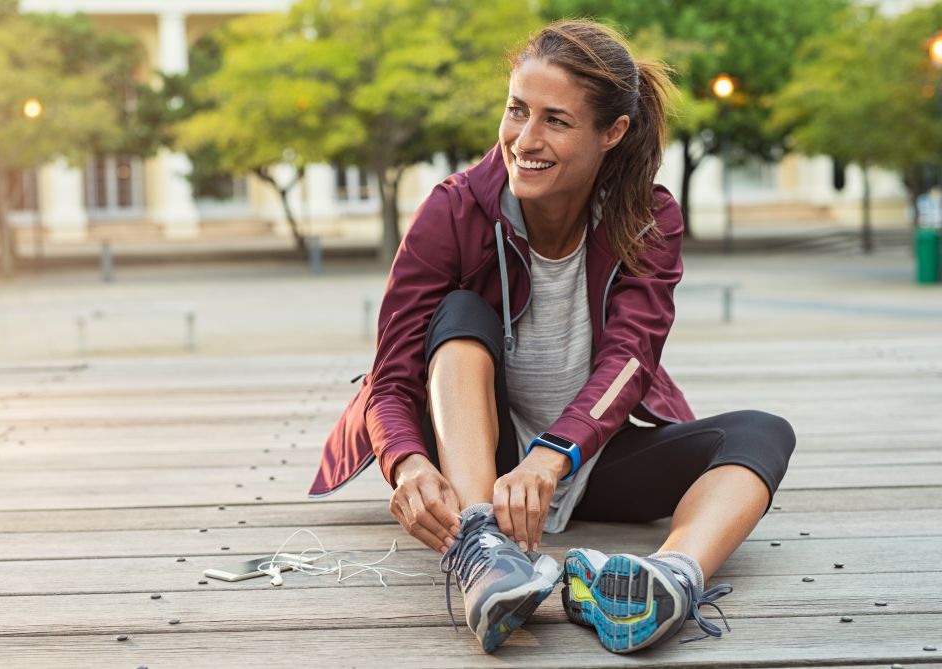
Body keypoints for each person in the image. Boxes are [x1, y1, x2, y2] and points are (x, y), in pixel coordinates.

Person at [309, 20, 795, 655]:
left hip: (583, 456)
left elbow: (631, 359)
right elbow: (392, 376)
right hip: (478, 463)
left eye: (556, 121)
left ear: (612, 133)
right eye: (517, 111)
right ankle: (482, 552)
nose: (525, 140)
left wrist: (554, 454)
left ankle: (671, 579)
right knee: (458, 313)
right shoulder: (452, 211)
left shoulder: (648, 218)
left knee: (762, 433)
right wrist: (407, 462)